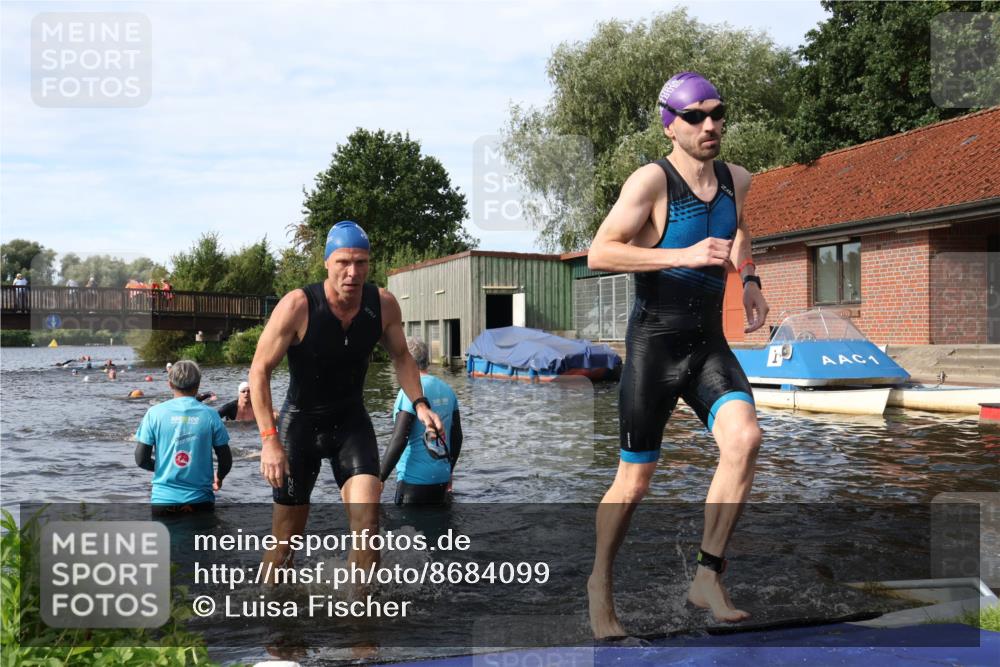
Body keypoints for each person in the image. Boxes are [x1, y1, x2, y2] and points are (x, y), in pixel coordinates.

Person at [585, 72, 769, 637]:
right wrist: (682, 254)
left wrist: (750, 277)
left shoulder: (738, 179)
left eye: (717, 113)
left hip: (707, 343)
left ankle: (707, 575)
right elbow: (600, 252)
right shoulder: (651, 181)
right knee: (634, 483)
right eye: (695, 117)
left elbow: (739, 231)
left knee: (745, 439)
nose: (710, 125)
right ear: (671, 125)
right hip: (655, 346)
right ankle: (599, 584)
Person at [250, 220, 444, 580]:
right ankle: (270, 609)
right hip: (300, 428)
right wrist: (269, 441)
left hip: (351, 425)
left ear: (369, 264)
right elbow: (259, 370)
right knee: (285, 543)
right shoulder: (298, 305)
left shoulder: (382, 304)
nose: (352, 273)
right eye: (343, 262)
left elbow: (402, 356)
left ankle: (361, 612)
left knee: (368, 526)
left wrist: (420, 404)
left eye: (360, 262)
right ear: (327, 263)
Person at [134, 360, 233, 515]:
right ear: (198, 385)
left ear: (170, 384)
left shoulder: (154, 414)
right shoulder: (211, 415)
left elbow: (141, 460)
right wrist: (219, 477)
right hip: (200, 501)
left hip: (163, 501)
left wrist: (165, 468)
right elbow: (225, 461)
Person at [380, 338, 463, 505]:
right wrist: (449, 470)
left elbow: (399, 439)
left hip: (413, 481)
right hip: (441, 478)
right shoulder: (447, 389)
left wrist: (379, 478)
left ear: (407, 361)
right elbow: (457, 438)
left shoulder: (410, 393)